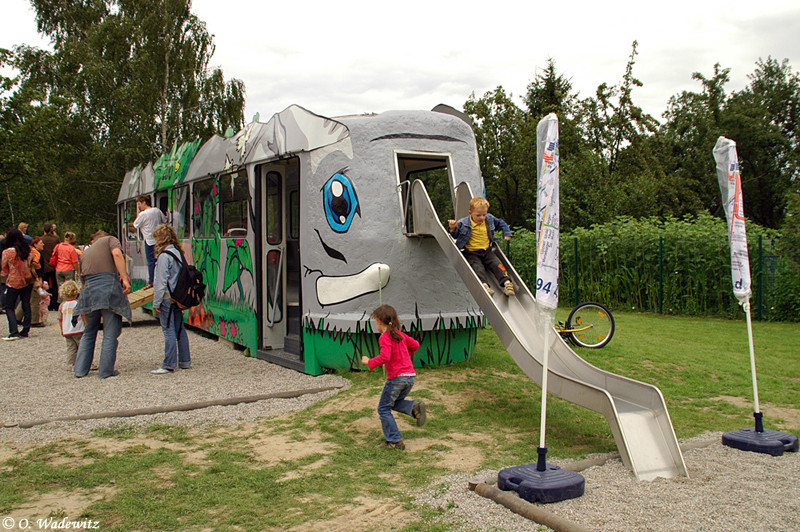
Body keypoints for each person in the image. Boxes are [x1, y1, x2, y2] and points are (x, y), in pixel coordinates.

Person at [360, 304, 427, 450]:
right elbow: (415, 344)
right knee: (394, 403)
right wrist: (403, 357)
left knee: (383, 409)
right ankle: (414, 407)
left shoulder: (385, 337)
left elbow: (385, 356)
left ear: (379, 322)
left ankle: (394, 441)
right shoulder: (400, 335)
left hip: (397, 378)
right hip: (410, 377)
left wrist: (369, 362)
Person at [73, 230, 132, 379]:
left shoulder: (85, 252)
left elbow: (83, 280)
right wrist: (124, 278)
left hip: (89, 293)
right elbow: (117, 254)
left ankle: (80, 370)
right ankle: (105, 371)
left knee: (89, 332)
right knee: (110, 333)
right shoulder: (110, 240)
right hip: (108, 290)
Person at [448, 197, 515, 296]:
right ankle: (485, 286)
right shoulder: (464, 223)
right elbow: (455, 235)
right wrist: (452, 228)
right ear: (470, 213)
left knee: (497, 264)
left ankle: (507, 284)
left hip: (487, 251)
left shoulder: (489, 219)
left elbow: (501, 223)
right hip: (472, 252)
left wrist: (506, 233)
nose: (482, 218)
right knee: (477, 268)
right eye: (478, 215)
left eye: (484, 214)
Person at [150, 223, 192, 374]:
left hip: (167, 297)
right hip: (178, 297)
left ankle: (169, 364)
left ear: (161, 239)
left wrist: (156, 302)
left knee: (168, 330)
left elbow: (161, 281)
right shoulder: (178, 253)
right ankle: (185, 361)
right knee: (180, 329)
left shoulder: (164, 256)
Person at [1, 229, 34, 340]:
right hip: (27, 280)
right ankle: (26, 329)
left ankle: (14, 331)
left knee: (9, 306)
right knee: (26, 304)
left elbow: (4, 269)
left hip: (13, 281)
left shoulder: (7, 252)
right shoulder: (28, 250)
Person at [133, 195, 166, 289]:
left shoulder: (143, 214)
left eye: (139, 204)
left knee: (151, 261)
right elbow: (165, 220)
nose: (139, 207)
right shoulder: (157, 210)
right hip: (159, 240)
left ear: (144, 202)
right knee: (160, 260)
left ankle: (151, 281)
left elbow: (136, 225)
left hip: (149, 240)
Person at [58, 280, 87, 368]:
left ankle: (71, 363)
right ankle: (85, 363)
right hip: (78, 329)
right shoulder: (78, 303)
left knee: (71, 348)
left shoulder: (62, 305)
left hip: (67, 330)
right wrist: (86, 326)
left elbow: (60, 319)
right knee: (82, 347)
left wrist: (62, 330)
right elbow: (83, 316)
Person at [41, 223, 61, 311]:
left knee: (45, 283)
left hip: (45, 264)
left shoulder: (41, 239)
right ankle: (55, 302)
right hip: (54, 264)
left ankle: (47, 302)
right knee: (55, 283)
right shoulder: (56, 239)